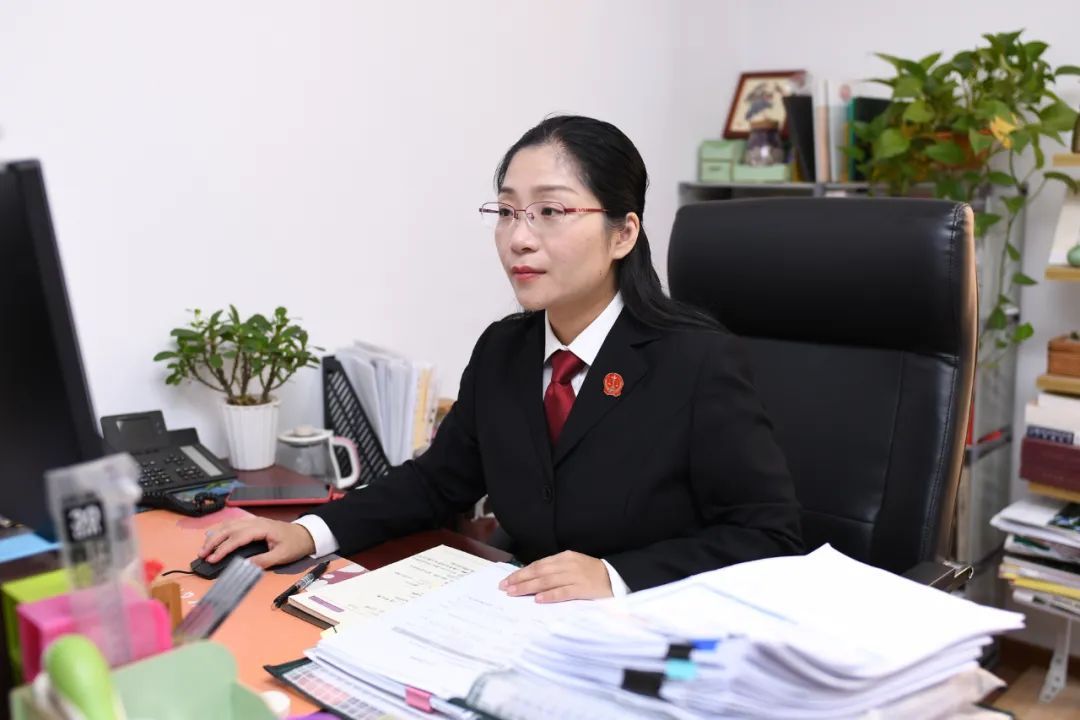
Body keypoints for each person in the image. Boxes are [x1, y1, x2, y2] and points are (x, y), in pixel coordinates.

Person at [199, 115, 803, 602]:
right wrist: (308, 531)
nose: (519, 237)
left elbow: (769, 536)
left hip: (652, 637)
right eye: (508, 211)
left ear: (622, 234)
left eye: (551, 212)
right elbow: (437, 483)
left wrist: (617, 576)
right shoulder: (504, 350)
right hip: (519, 619)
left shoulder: (695, 361)